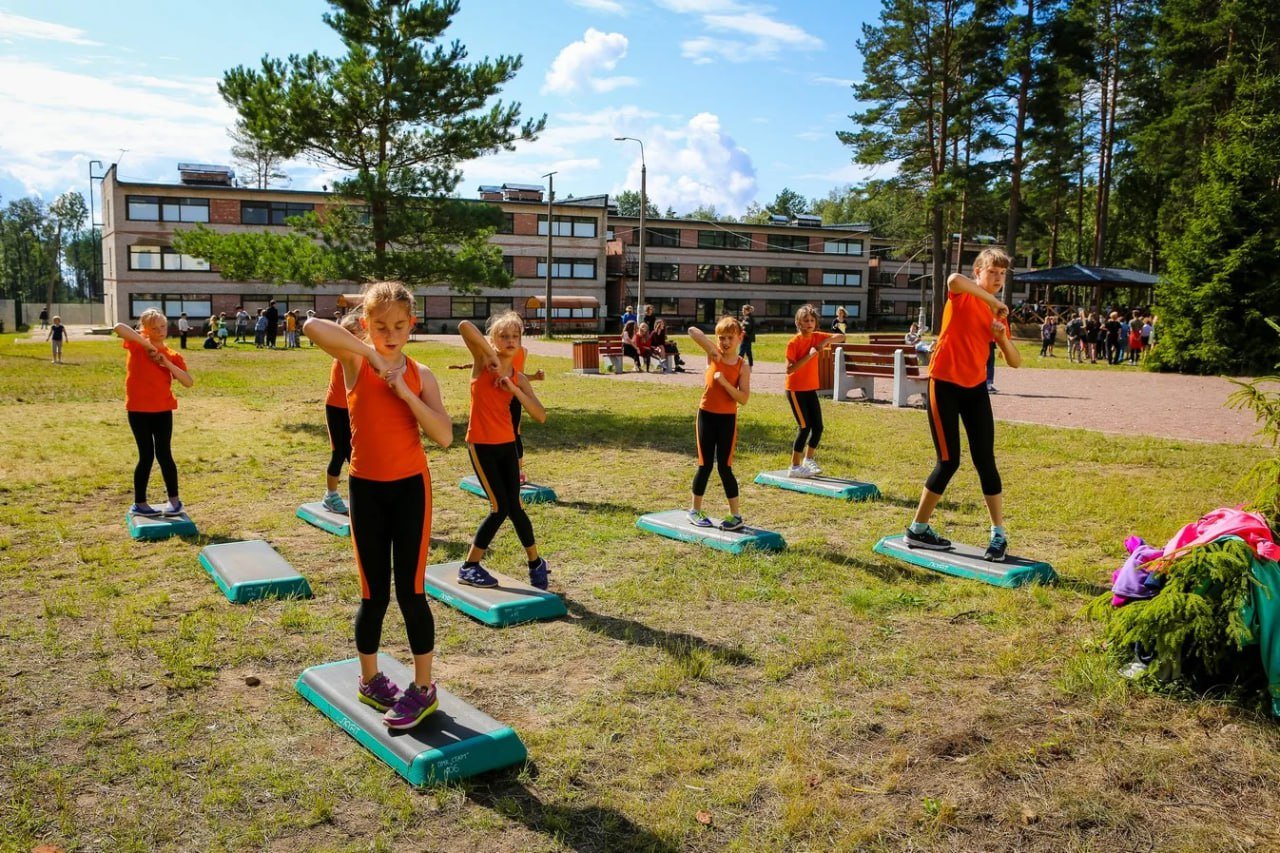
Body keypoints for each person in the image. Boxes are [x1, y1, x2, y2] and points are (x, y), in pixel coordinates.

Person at [304, 280, 453, 731]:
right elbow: (312, 326)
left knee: (411, 592)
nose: (391, 334)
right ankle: (370, 680)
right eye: (381, 325)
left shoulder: (422, 374)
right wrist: (369, 354)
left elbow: (444, 436)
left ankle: (423, 688)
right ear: (366, 324)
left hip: (410, 489)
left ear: (412, 325)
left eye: (400, 326)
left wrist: (405, 394)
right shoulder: (354, 360)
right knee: (373, 595)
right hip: (365, 490)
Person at [904, 247, 1022, 562]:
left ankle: (998, 534)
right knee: (948, 460)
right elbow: (954, 279)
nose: (997, 279)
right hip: (943, 384)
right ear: (978, 273)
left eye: (1002, 274)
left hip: (975, 389)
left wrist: (1002, 338)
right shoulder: (966, 296)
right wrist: (994, 301)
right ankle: (918, 528)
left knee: (986, 460)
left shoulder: (998, 316)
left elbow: (1014, 361)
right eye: (992, 272)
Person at [456, 313, 550, 590]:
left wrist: (514, 388)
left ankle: (535, 563)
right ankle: (469, 566)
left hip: (507, 445)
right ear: (493, 340)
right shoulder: (482, 365)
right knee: (499, 508)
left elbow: (540, 415)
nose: (510, 341)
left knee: (515, 507)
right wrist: (491, 356)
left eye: (514, 337)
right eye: (503, 336)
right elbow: (464, 327)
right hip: (481, 445)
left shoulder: (519, 378)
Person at [113, 310, 194, 518]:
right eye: (154, 328)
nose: (160, 332)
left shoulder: (173, 355)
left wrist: (164, 362)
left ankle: (174, 502)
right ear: (144, 329)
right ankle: (140, 503)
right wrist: (148, 345)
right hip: (138, 410)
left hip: (163, 410)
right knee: (146, 456)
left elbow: (188, 382)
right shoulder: (137, 345)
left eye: (163, 327)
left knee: (164, 454)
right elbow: (118, 327)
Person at [686, 317, 751, 531]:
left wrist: (723, 382)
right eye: (721, 338)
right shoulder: (714, 355)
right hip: (706, 415)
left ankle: (736, 515)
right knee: (705, 465)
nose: (725, 342)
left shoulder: (743, 366)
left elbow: (743, 398)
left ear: (740, 337)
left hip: (727, 419)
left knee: (725, 467)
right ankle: (695, 510)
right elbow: (692, 330)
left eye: (730, 338)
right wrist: (712, 345)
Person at [784, 304, 845, 478]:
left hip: (810, 388)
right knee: (804, 427)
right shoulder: (793, 343)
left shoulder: (817, 337)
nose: (809, 323)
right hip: (795, 389)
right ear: (799, 323)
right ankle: (794, 466)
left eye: (812, 320)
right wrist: (810, 356)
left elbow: (842, 336)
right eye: (806, 320)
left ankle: (808, 460)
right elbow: (789, 369)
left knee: (818, 427)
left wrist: (825, 341)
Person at [319, 312, 365, 515]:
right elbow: (320, 329)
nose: (360, 337)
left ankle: (363, 496)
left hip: (354, 407)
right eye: (355, 333)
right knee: (341, 452)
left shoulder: (364, 352)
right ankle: (330, 495)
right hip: (337, 408)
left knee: (356, 453)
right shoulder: (341, 352)